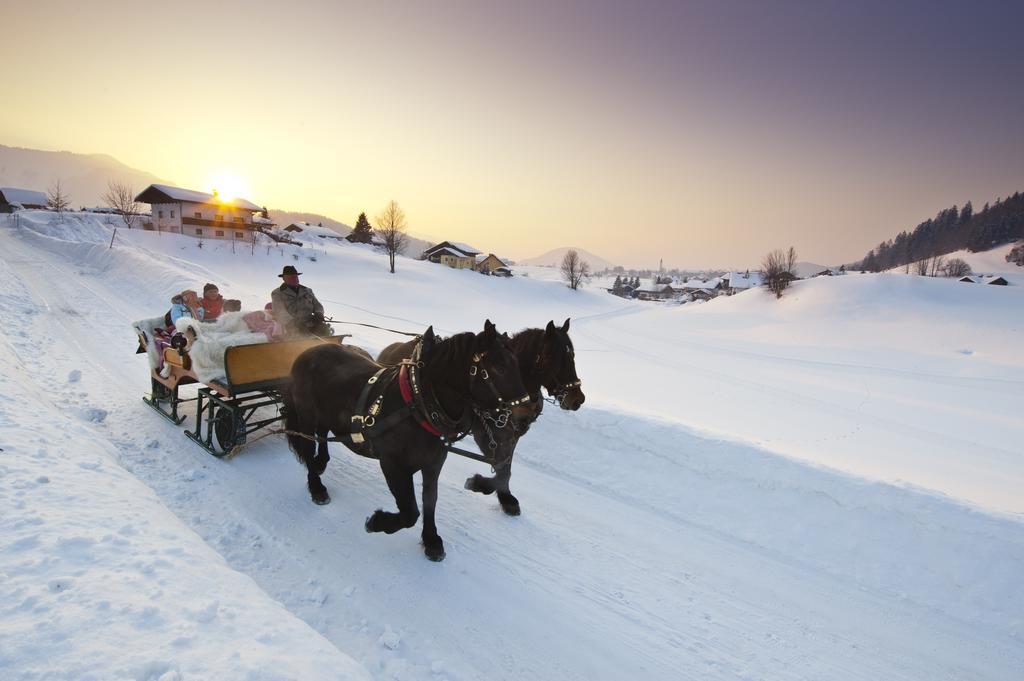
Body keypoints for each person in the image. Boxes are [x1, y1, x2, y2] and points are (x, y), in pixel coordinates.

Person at [270, 265, 331, 337]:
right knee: (301, 338)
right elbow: (280, 312)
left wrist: (319, 314)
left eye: (295, 276)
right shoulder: (277, 293)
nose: (294, 278)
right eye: (290, 277)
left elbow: (317, 305)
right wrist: (293, 323)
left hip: (311, 322)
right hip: (292, 326)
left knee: (324, 330)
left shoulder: (307, 290)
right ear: (284, 278)